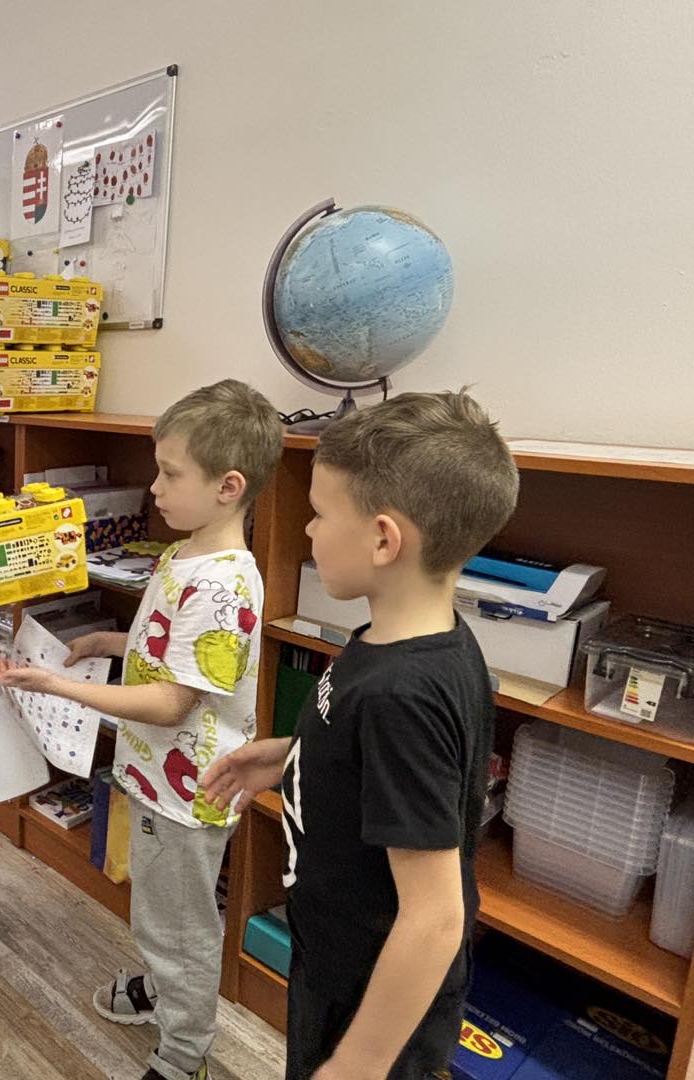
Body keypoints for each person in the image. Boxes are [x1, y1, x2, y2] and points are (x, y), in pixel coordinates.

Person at [200, 391, 520, 1080]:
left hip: (378, 1005)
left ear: (383, 539)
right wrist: (293, 757)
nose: (307, 529)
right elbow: (378, 766)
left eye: (319, 513)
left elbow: (435, 916)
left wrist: (359, 1064)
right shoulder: (394, 639)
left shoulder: (403, 694)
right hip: (336, 961)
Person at [0, 379, 284, 1080]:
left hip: (189, 794)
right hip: (157, 780)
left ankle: (185, 1054)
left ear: (228, 487)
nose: (154, 488)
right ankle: (162, 989)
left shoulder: (223, 584)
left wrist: (59, 686)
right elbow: (172, 648)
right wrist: (110, 642)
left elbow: (172, 702)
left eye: (170, 474)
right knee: (161, 912)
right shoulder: (184, 555)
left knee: (181, 926)